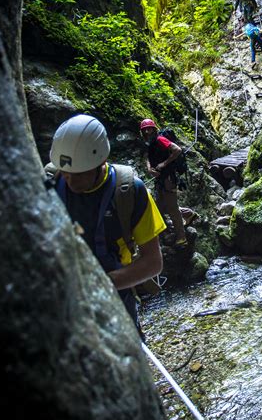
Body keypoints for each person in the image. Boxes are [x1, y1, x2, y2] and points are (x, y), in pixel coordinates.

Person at [48, 114, 166, 333]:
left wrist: (99, 286)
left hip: (115, 297)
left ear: (100, 162)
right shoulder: (51, 181)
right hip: (60, 295)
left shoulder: (131, 192)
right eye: (65, 172)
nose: (70, 180)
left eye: (78, 174)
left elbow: (153, 262)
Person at [140, 118, 196, 247]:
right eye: (145, 130)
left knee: (171, 207)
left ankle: (182, 237)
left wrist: (163, 164)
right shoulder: (149, 142)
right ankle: (188, 214)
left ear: (154, 129)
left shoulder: (160, 139)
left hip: (169, 178)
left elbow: (177, 150)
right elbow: (147, 157)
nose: (148, 131)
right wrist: (150, 169)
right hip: (160, 178)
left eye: (150, 129)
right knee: (160, 206)